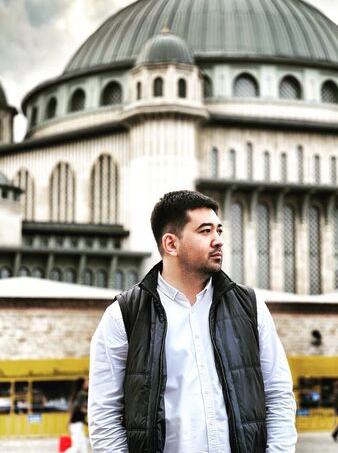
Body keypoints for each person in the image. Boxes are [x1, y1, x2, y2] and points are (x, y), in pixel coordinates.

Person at [89, 190, 297, 452]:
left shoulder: (250, 307)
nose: (218, 240)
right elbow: (105, 416)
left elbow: (278, 396)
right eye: (205, 231)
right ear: (171, 244)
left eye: (219, 231)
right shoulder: (123, 315)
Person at [66, 378, 89, 453]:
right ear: (82, 384)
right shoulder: (81, 394)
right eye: (86, 382)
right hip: (76, 424)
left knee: (83, 444)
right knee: (77, 446)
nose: (87, 384)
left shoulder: (78, 394)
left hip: (77, 423)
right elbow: (78, 408)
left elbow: (74, 409)